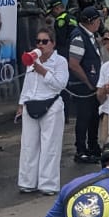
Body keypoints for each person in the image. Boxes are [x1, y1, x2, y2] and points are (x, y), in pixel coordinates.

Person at [16, 26, 68, 195]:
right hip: (31, 103)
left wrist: (43, 71)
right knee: (28, 145)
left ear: (53, 43)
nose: (40, 45)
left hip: (51, 105)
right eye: (38, 41)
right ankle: (27, 182)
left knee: (50, 146)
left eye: (44, 42)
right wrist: (21, 104)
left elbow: (60, 84)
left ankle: (48, 184)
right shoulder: (33, 59)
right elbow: (27, 83)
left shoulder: (60, 61)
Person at [66, 4, 106, 163]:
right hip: (82, 87)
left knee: (93, 117)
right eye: (98, 20)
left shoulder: (90, 35)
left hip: (92, 86)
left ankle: (93, 146)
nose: (100, 23)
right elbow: (74, 64)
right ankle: (81, 150)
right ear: (92, 21)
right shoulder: (79, 37)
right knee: (84, 117)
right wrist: (88, 83)